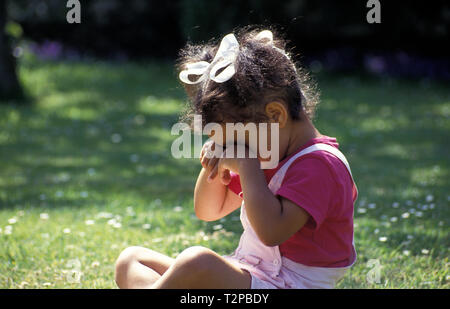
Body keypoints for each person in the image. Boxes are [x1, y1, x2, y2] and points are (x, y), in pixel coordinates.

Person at [114, 27, 358, 289]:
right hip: (253, 274)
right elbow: (208, 210)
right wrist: (215, 161)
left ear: (276, 115)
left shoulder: (320, 164)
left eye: (236, 141)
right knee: (132, 260)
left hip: (291, 284)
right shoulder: (268, 154)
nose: (234, 150)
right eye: (226, 142)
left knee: (197, 262)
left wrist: (245, 164)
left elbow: (272, 231)